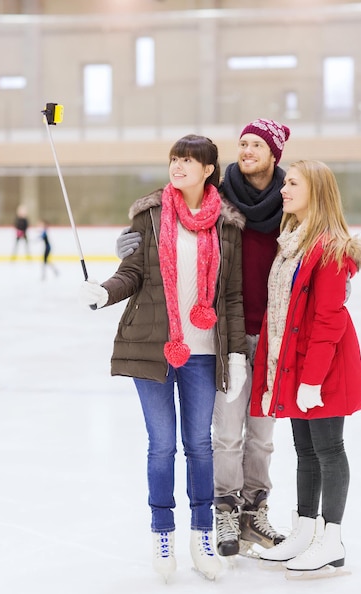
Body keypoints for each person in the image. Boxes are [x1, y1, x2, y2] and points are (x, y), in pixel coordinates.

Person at [116, 119, 291, 559]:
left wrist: (339, 268)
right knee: (225, 435)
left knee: (263, 436)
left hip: (272, 331)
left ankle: (256, 511)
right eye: (243, 143)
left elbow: (316, 240)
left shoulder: (290, 200)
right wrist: (130, 246)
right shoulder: (223, 197)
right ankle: (225, 511)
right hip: (223, 331)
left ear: (275, 153)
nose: (248, 150)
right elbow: (166, 224)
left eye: (258, 144)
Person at [79, 135, 248, 582]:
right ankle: (162, 530)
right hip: (152, 347)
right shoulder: (149, 217)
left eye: (189, 160)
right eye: (175, 159)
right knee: (161, 446)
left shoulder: (228, 226)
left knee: (199, 446)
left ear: (209, 169)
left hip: (203, 352)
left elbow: (231, 296)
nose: (179, 166)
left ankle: (202, 534)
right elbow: (131, 273)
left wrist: (235, 352)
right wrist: (104, 292)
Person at [250, 159, 361, 578]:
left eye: (293, 183)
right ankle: (304, 530)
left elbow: (329, 319)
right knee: (305, 451)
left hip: (322, 370)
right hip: (296, 366)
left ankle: (332, 539)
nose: (284, 189)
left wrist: (312, 379)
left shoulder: (330, 247)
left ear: (315, 191)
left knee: (328, 449)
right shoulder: (292, 242)